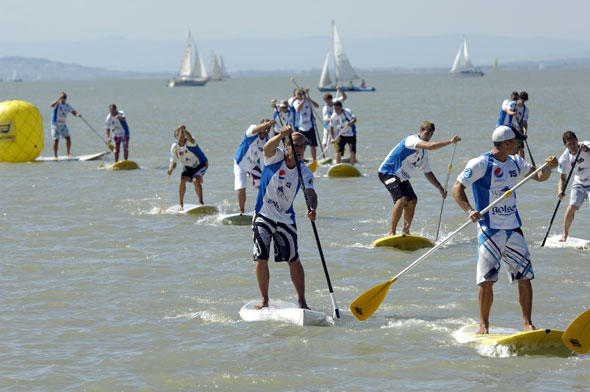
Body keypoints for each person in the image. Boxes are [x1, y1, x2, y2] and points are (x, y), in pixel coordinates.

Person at [452, 125, 558, 334]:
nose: (519, 144)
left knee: (525, 276)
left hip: (513, 227)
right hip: (490, 229)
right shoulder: (480, 163)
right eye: (516, 141)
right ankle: (484, 326)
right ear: (507, 143)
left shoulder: (516, 162)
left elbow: (539, 177)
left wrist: (549, 168)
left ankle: (527, 324)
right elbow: (457, 188)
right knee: (487, 279)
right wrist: (470, 210)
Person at [252, 125, 317, 310]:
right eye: (294, 145)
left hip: (285, 219)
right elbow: (266, 148)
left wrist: (312, 208)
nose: (297, 149)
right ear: (286, 146)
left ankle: (302, 301)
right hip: (263, 214)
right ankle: (264, 299)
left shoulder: (304, 171)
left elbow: (311, 193)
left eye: (301, 147)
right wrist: (281, 135)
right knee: (261, 257)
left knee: (293, 260)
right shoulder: (275, 156)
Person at [378, 121, 460, 236]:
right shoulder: (412, 140)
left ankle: (406, 232)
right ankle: (391, 233)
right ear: (420, 131)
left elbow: (427, 172)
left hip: (402, 177)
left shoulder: (423, 153)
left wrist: (440, 188)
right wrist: (450, 141)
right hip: (387, 172)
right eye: (427, 134)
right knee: (401, 200)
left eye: (431, 135)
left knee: (412, 200)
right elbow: (430, 146)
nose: (428, 137)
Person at [234, 119, 273, 213]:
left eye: (268, 128)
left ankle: (263, 210)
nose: (266, 129)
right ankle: (241, 212)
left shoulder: (268, 140)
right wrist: (267, 124)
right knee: (241, 187)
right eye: (264, 126)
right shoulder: (251, 130)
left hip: (253, 165)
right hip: (241, 163)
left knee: (262, 187)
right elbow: (257, 128)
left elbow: (271, 156)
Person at [557, 131, 590, 242]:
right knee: (572, 207)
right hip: (579, 182)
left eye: (574, 142)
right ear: (565, 145)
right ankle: (564, 235)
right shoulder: (564, 159)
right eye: (569, 144)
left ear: (577, 140)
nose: (573, 146)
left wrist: (587, 150)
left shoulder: (586, 145)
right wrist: (561, 191)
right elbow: (562, 178)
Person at [168, 125, 208, 210]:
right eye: (178, 135)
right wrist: (171, 169)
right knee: (182, 180)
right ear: (175, 137)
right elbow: (173, 163)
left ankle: (201, 202)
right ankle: (180, 204)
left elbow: (190, 138)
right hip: (188, 166)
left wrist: (184, 130)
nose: (181, 136)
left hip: (200, 164)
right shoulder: (174, 147)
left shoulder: (190, 141)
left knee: (195, 180)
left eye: (182, 134)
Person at [49, 92, 81, 159]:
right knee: (56, 140)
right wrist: (58, 99)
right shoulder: (57, 104)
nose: (63, 99)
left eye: (64, 97)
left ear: (66, 98)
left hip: (63, 125)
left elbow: (73, 112)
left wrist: (77, 114)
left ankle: (68, 153)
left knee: (68, 138)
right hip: (55, 125)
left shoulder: (67, 106)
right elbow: (51, 105)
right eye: (62, 97)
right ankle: (55, 156)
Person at [293, 88, 320, 161]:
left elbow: (317, 106)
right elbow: (298, 109)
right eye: (300, 94)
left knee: (313, 145)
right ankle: (301, 160)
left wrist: (310, 99)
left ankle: (314, 160)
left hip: (310, 126)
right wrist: (303, 101)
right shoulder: (296, 102)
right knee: (301, 145)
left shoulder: (308, 101)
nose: (302, 95)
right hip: (301, 127)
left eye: (302, 94)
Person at [512, 91, 530, 159]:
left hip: (519, 130)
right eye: (522, 99)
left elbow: (525, 122)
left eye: (524, 100)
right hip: (511, 128)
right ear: (519, 98)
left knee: (521, 148)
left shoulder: (526, 109)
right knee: (513, 148)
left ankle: (522, 163)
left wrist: (525, 131)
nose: (523, 101)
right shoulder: (513, 105)